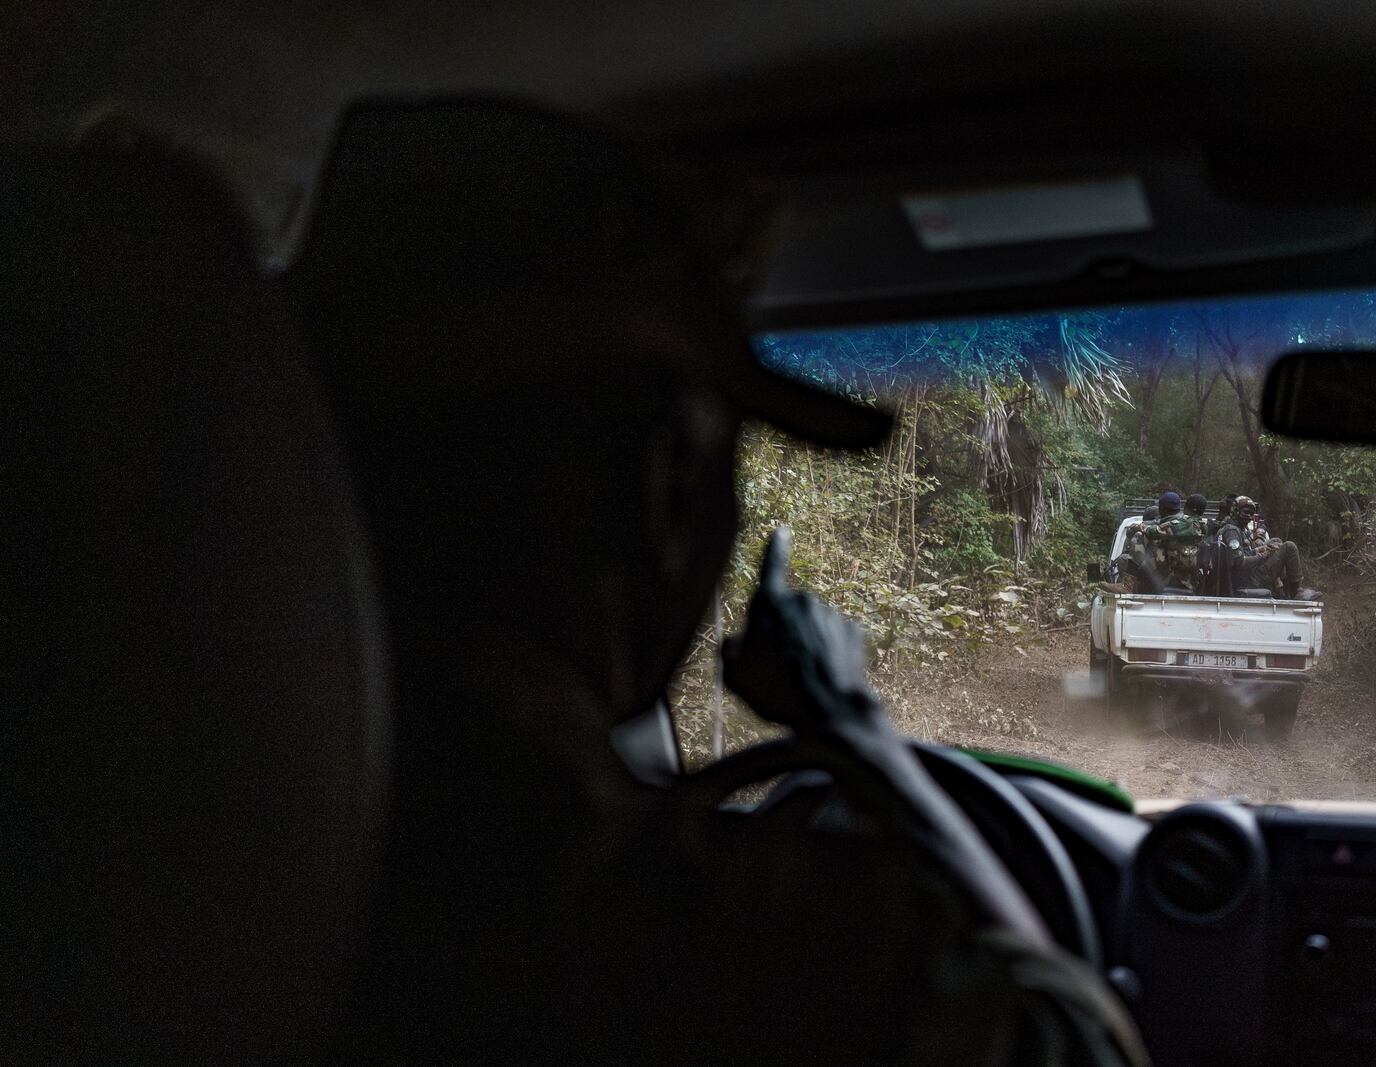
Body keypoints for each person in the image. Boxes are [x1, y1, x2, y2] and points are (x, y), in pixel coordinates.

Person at [295, 100, 1144, 1067]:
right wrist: (853, 727)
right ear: (668, 494)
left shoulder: (182, 828)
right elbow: (1083, 1043)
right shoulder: (729, 948)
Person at [1225, 496, 1321, 600]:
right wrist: (1263, 555)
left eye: (1251, 514)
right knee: (1289, 547)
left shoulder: (1238, 529)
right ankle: (1295, 592)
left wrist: (1261, 549)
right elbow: (1239, 562)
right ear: (1235, 511)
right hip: (1249, 580)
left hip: (1248, 575)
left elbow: (1245, 553)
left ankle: (1284, 590)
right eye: (1246, 512)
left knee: (1277, 542)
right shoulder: (1232, 532)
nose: (1249, 516)